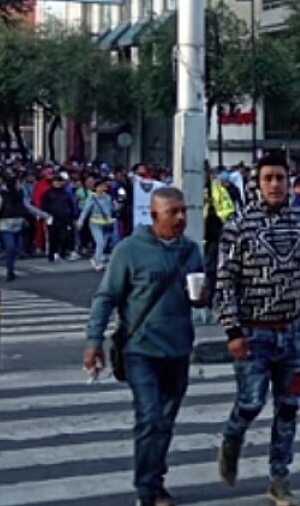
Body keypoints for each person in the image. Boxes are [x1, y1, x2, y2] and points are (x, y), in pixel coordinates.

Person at [214, 153, 300, 506]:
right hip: (253, 332)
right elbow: (225, 281)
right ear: (256, 183)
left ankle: (279, 478)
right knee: (250, 403)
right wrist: (232, 330)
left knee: (289, 407)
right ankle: (232, 438)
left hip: (292, 332)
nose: (275, 185)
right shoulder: (239, 223)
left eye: (280, 178)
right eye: (268, 178)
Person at [85, 187, 207, 506]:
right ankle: (146, 490)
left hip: (178, 349)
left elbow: (200, 297)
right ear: (154, 216)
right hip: (140, 349)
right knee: (149, 418)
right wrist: (93, 341)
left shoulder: (192, 251)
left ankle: (155, 481)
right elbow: (106, 297)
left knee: (165, 422)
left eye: (184, 210)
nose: (181, 217)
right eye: (173, 212)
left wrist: (204, 296)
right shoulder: (129, 250)